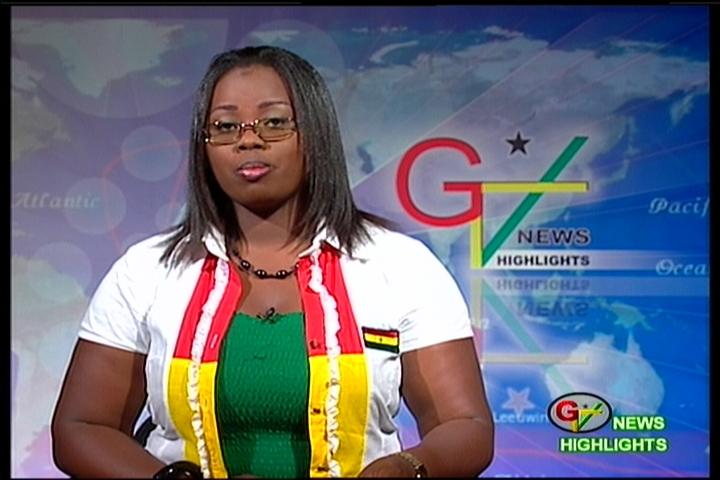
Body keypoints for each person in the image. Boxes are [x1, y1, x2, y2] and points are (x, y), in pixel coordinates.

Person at [51, 45, 494, 478]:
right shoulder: (145, 271)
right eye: (225, 126)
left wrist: (405, 469)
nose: (248, 139)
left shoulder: (401, 265)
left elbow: (466, 427)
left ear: (315, 133)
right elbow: (82, 427)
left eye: (275, 122)